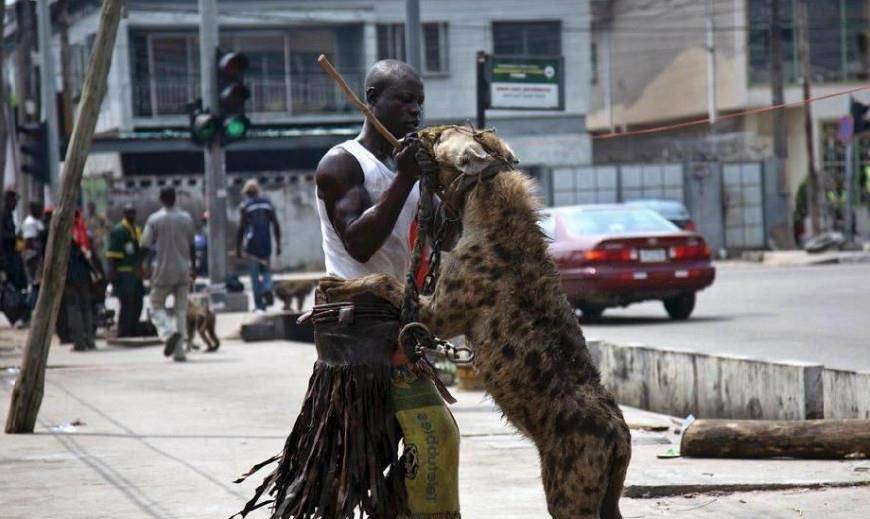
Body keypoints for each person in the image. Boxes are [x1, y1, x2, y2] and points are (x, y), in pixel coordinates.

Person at [237, 60, 460, 519]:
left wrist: (449, 189)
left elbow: (444, 237)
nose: (415, 110)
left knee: (435, 436)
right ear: (372, 98)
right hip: (355, 329)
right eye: (403, 100)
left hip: (400, 320)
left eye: (420, 101)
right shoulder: (341, 164)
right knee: (348, 463)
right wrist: (404, 179)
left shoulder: (409, 167)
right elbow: (359, 244)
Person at [140, 187, 196, 362]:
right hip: (183, 269)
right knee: (181, 310)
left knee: (155, 306)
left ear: (161, 199)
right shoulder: (186, 218)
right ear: (175, 198)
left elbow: (145, 246)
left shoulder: (154, 219)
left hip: (162, 270)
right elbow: (192, 245)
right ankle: (180, 352)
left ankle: (168, 333)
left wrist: (142, 265)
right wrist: (194, 267)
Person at [235, 179, 281, 313]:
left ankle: (259, 306)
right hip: (266, 244)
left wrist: (238, 248)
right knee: (266, 271)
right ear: (257, 191)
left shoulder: (245, 206)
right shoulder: (268, 204)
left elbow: (241, 228)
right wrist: (278, 244)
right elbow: (276, 225)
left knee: (255, 277)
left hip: (251, 246)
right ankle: (267, 287)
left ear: (247, 193)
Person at [106, 203, 146, 337]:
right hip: (124, 272)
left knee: (138, 301)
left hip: (135, 272)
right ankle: (124, 330)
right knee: (127, 302)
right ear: (124, 215)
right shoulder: (119, 231)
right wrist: (112, 273)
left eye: (133, 213)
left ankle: (133, 327)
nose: (131, 216)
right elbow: (112, 255)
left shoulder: (136, 229)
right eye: (129, 213)